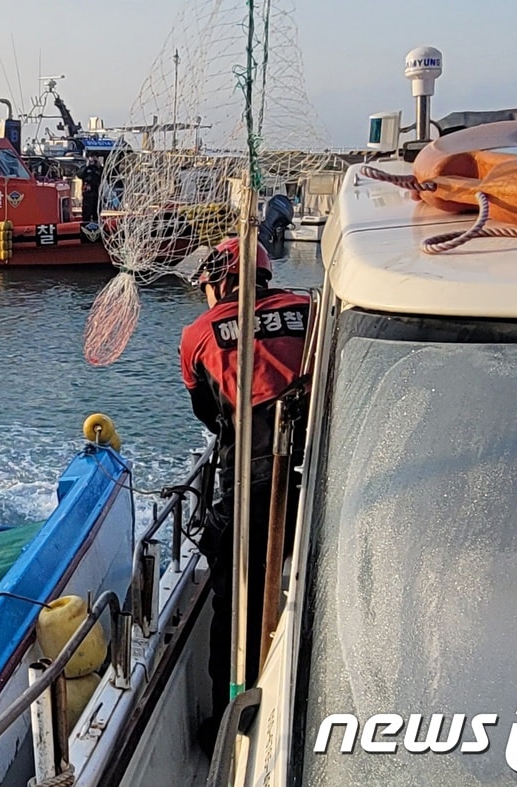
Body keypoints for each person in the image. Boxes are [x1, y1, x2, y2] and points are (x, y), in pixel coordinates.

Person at [178, 237, 309, 739]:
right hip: (316, 471)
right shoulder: (309, 311)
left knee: (234, 600)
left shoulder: (199, 334)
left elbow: (209, 417)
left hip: (252, 484)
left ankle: (227, 716)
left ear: (223, 279)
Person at [78, 156, 104, 224]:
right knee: (86, 214)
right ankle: (85, 228)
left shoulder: (98, 169)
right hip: (87, 196)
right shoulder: (85, 169)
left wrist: (99, 165)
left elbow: (104, 175)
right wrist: (87, 165)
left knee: (96, 214)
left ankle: (97, 227)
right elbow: (79, 175)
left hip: (97, 195)